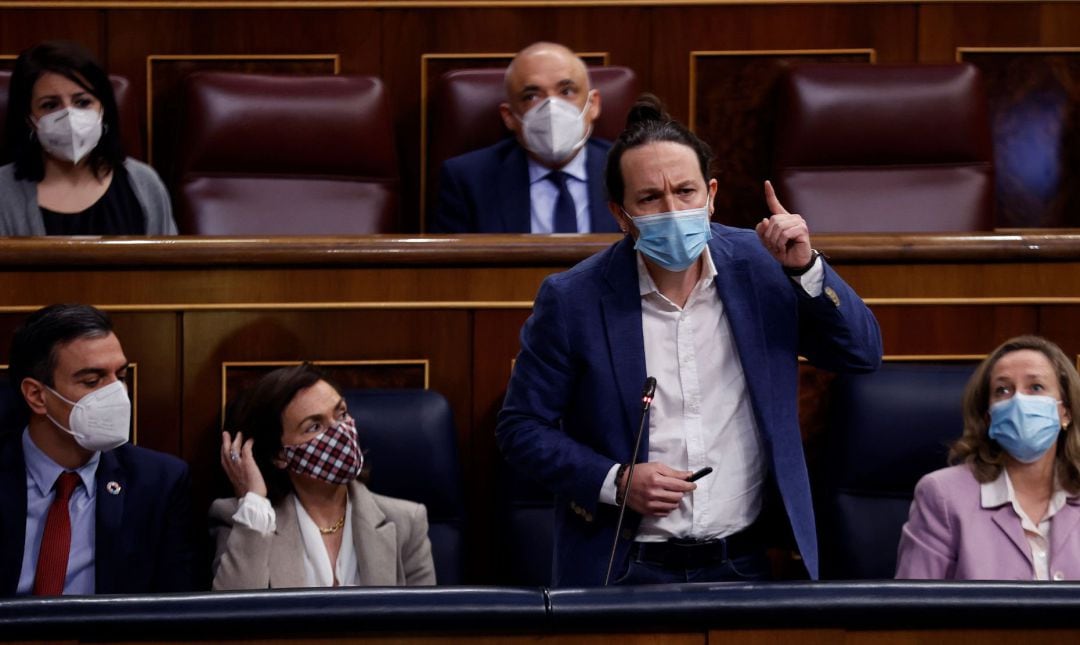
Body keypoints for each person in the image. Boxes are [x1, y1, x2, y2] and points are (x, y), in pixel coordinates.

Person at [496, 96, 883, 586]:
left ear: (712, 194)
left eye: (685, 191)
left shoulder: (763, 266)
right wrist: (615, 481)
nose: (673, 210)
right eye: (650, 199)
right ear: (621, 214)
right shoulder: (574, 299)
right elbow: (521, 429)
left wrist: (807, 270)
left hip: (747, 562)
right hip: (625, 565)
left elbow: (862, 353)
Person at [0, 304, 194, 596]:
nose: (116, 394)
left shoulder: (159, 483)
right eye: (92, 381)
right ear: (37, 396)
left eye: (121, 377)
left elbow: (176, 611)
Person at [209, 364, 436, 589]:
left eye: (342, 413)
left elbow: (426, 622)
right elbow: (231, 619)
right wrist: (255, 501)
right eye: (315, 426)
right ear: (279, 455)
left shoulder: (406, 523)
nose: (340, 431)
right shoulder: (243, 521)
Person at [896, 335, 1080, 580]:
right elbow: (913, 609)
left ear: (1065, 411)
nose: (1018, 401)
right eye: (1003, 390)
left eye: (1035, 387)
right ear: (989, 418)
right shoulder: (942, 495)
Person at [432, 41, 621, 234]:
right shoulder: (468, 181)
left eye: (566, 91)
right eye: (532, 96)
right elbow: (452, 262)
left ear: (593, 105)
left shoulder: (626, 171)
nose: (552, 107)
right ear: (509, 117)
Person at [0, 41, 176, 235]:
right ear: (30, 118)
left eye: (83, 102)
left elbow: (168, 262)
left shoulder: (144, 183)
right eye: (50, 105)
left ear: (102, 109)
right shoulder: (3, 193)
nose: (69, 117)